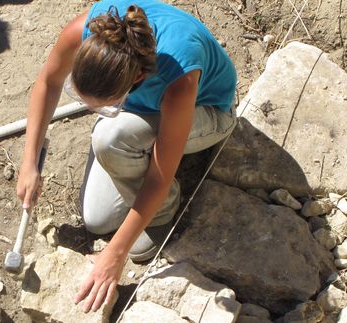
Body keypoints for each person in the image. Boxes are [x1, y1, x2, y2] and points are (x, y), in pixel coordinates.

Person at [16, 0, 237, 313]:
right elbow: (49, 82)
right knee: (97, 219)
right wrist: (29, 161)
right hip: (142, 108)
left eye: (103, 106)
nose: (93, 111)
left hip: (209, 111)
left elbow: (160, 174)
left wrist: (114, 257)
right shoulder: (88, 29)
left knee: (109, 137)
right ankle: (126, 143)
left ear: (134, 82)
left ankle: (163, 211)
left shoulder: (179, 76)